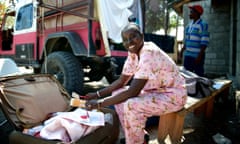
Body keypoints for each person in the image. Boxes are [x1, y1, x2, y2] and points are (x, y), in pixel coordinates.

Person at [85, 23, 187, 144]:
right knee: (118, 92)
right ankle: (137, 137)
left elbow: (133, 91)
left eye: (133, 36)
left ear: (142, 36)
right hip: (156, 91)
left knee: (131, 104)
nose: (130, 42)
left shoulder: (149, 53)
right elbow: (122, 81)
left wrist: (99, 103)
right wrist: (96, 94)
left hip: (174, 95)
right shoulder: (133, 53)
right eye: (125, 40)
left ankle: (135, 141)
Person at [181, 5, 209, 76]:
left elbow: (204, 42)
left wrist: (199, 56)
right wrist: (182, 50)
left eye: (191, 12)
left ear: (197, 13)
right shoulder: (189, 26)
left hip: (197, 56)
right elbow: (187, 40)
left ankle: (198, 87)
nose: (189, 14)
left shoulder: (203, 25)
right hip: (188, 56)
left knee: (198, 76)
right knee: (187, 76)